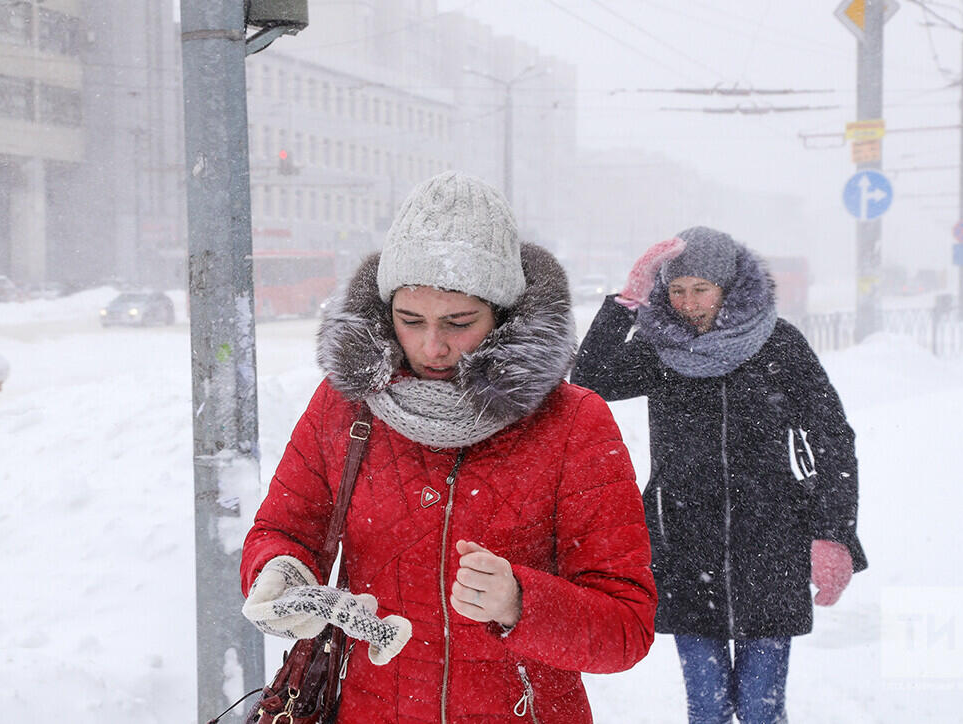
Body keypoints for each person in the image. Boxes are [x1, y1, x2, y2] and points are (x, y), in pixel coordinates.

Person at [240, 171, 657, 723]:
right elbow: (283, 530)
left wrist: (520, 603)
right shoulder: (345, 405)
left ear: (503, 316)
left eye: (459, 323)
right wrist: (278, 570)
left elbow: (625, 627)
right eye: (410, 321)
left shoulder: (574, 423)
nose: (431, 346)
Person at [571, 227, 868, 724]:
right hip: (686, 544)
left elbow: (832, 438)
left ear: (727, 288)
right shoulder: (659, 349)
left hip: (771, 544)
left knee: (760, 708)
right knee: (706, 708)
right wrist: (626, 301)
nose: (688, 304)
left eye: (701, 289)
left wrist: (833, 534)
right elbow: (591, 381)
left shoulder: (777, 343)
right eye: (676, 290)